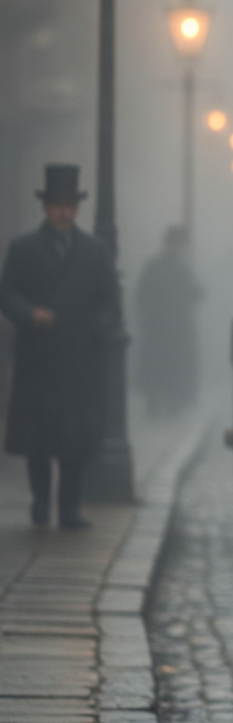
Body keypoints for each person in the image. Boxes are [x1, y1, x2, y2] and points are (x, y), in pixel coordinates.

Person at [0, 164, 122, 529]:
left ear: (77, 207)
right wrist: (29, 314)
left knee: (75, 440)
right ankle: (40, 499)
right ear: (45, 207)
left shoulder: (95, 251)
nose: (63, 211)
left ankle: (69, 507)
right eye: (56, 204)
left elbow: (110, 301)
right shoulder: (23, 249)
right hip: (38, 355)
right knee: (39, 440)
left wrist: (94, 331)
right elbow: (6, 293)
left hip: (77, 357)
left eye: (69, 204)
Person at [135, 225, 201, 416]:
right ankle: (156, 404)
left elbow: (190, 293)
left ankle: (170, 404)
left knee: (171, 367)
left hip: (172, 328)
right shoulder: (158, 267)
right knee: (160, 367)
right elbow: (143, 296)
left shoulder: (179, 269)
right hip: (160, 327)